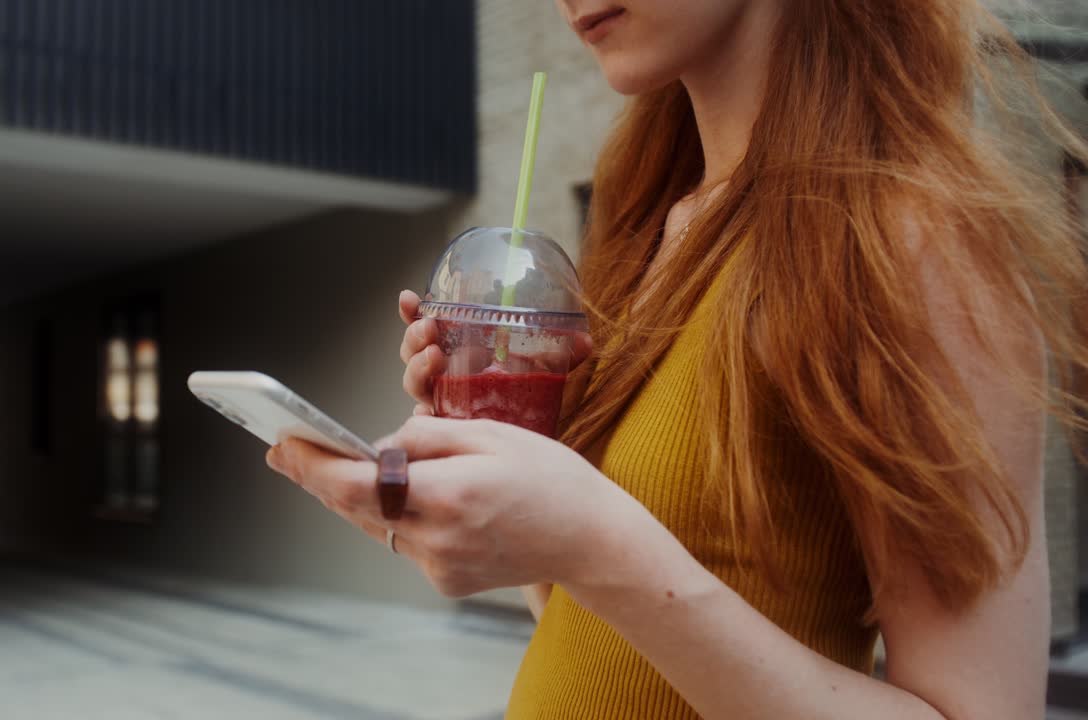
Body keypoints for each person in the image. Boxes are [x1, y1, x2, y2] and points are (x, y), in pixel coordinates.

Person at [266, 1, 1088, 717]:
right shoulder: (651, 230)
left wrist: (595, 540)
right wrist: (519, 463)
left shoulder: (909, 245)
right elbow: (592, 631)